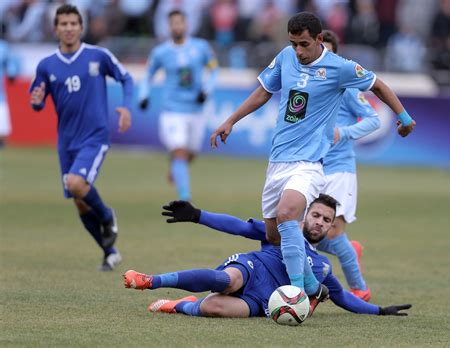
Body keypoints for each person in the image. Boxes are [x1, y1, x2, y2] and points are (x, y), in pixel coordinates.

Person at [210, 12, 416, 298]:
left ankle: (298, 293)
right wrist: (231, 120)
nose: (298, 51)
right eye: (293, 44)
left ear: (319, 39)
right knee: (273, 236)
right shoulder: (286, 57)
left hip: (310, 163)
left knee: (287, 215)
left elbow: (379, 86)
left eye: (303, 44)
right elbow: (264, 91)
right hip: (278, 160)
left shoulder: (340, 68)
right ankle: (311, 282)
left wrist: (405, 118)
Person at [123, 197, 411, 318]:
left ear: (331, 226)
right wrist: (198, 216)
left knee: (215, 309)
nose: (320, 222)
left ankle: (180, 305)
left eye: (327, 219)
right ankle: (151, 281)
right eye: (316, 215)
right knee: (226, 279)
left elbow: (342, 297)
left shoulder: (324, 266)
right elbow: (239, 226)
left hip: (265, 301)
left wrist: (379, 311)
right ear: (305, 215)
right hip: (252, 269)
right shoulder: (281, 233)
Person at [29, 4, 133, 271]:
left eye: (73, 23)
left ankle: (108, 215)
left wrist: (127, 106)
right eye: (63, 24)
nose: (68, 28)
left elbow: (127, 78)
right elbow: (37, 101)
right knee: (79, 201)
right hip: (66, 142)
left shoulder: (98, 56)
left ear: (81, 27)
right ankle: (110, 252)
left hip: (94, 136)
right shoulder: (46, 65)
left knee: (77, 184)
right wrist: (37, 102)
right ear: (55, 29)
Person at [317, 29, 380, 302]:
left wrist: (343, 133)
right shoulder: (308, 84)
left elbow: (373, 119)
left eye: (329, 52)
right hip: (312, 166)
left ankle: (359, 289)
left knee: (331, 230)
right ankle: (347, 250)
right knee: (306, 229)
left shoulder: (347, 86)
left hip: (340, 167)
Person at [139, 10, 219, 202]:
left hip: (196, 110)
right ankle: (185, 197)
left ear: (186, 24)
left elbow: (214, 69)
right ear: (169, 26)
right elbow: (148, 74)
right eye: (173, 23)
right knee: (179, 150)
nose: (177, 26)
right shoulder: (161, 52)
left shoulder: (200, 47)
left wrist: (206, 91)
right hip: (172, 110)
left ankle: (176, 167)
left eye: (180, 23)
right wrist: (143, 95)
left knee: (190, 153)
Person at [0, 39, 20, 147]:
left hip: (0, 96)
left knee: (2, 132)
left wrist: (12, 72)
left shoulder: (3, 47)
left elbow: (11, 61)